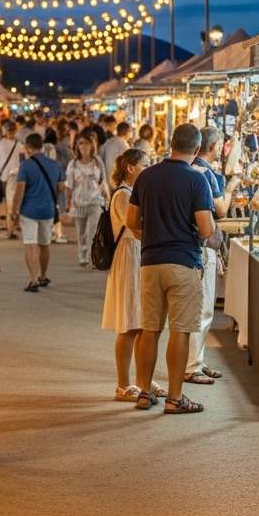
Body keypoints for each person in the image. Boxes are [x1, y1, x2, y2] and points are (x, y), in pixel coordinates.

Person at [126, 124, 216, 415]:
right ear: (198, 150)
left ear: (170, 143)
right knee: (181, 330)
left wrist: (152, 237)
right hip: (183, 262)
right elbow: (205, 229)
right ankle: (175, 398)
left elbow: (132, 222)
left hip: (151, 262)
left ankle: (144, 392)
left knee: (149, 329)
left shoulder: (146, 176)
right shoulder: (197, 179)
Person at [103, 148, 150, 401]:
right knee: (130, 325)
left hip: (139, 256)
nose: (148, 168)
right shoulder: (123, 195)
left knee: (144, 325)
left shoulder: (134, 193)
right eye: (145, 164)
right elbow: (135, 228)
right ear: (131, 168)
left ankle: (144, 381)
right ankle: (123, 384)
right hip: (129, 257)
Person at [185, 126, 228, 385]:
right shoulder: (207, 173)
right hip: (202, 245)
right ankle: (192, 365)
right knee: (202, 309)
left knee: (195, 308)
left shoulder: (188, 169)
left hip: (190, 246)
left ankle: (195, 361)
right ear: (213, 147)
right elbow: (221, 209)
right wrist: (231, 186)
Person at [10, 133, 62, 292]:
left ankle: (33, 281)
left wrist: (14, 212)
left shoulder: (25, 166)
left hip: (29, 211)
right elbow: (61, 188)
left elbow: (20, 189)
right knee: (45, 244)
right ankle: (43, 276)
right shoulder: (54, 164)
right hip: (47, 210)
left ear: (28, 148)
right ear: (41, 146)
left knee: (30, 244)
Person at [64, 133, 107, 267]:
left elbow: (103, 180)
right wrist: (68, 202)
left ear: (91, 145)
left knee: (93, 231)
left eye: (86, 143)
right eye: (81, 143)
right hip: (78, 203)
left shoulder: (97, 162)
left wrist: (107, 198)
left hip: (95, 200)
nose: (83, 146)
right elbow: (69, 186)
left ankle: (92, 256)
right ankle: (83, 256)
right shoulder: (73, 164)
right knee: (81, 232)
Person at [0, 119, 22, 237]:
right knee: (11, 204)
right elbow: (22, 161)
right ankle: (11, 228)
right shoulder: (19, 145)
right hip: (14, 176)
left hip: (0, 176)